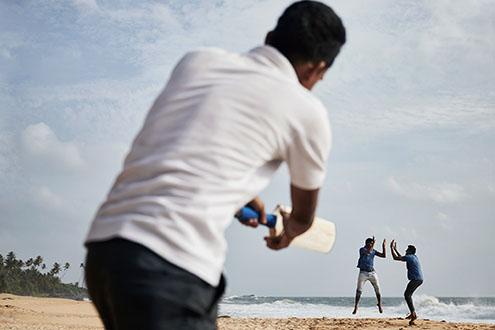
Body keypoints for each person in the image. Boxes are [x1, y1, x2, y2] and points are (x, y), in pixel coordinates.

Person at [83, 1, 346, 329]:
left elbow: (185, 157)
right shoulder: (307, 112)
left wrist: (238, 202)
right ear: (316, 69)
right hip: (171, 263)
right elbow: (303, 218)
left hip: (105, 251)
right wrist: (287, 234)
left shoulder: (197, 62)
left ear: (270, 36)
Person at [390, 240, 424, 326]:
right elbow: (402, 257)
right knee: (408, 295)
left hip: (416, 279)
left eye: (407, 250)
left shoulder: (409, 257)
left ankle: (413, 314)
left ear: (410, 251)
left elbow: (395, 258)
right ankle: (413, 313)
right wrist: (395, 249)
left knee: (407, 295)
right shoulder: (414, 256)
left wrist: (391, 248)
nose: (405, 250)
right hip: (419, 279)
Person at [352, 237, 386, 314]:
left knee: (377, 289)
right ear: (366, 243)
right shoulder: (362, 249)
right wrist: (373, 244)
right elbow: (368, 252)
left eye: (372, 243)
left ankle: (379, 304)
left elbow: (383, 255)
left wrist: (383, 246)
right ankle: (356, 306)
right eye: (370, 243)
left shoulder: (373, 251)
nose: (371, 244)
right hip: (363, 273)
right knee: (359, 290)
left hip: (372, 273)